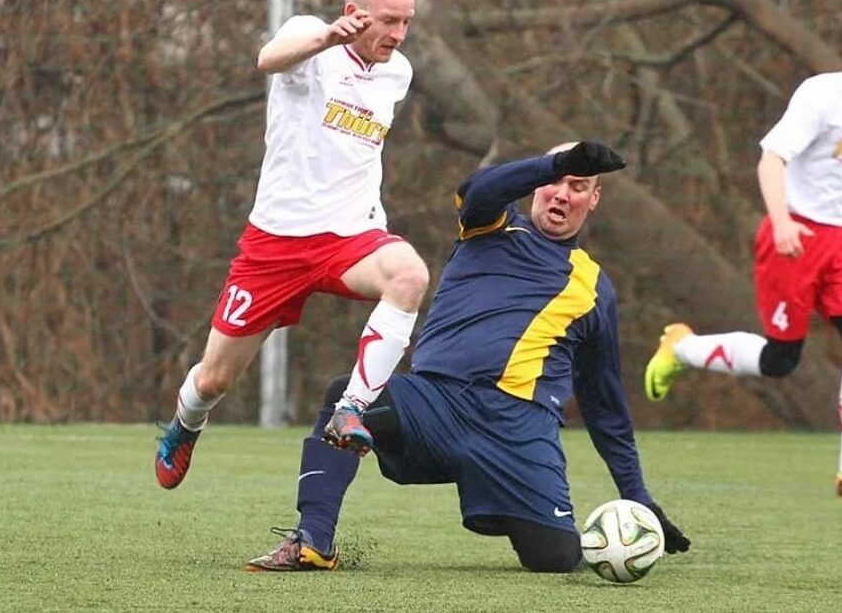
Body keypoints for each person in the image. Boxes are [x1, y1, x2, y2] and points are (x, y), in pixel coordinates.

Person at [244, 141, 691, 572]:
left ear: (594, 199)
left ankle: (506, 499)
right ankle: (315, 541)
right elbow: (477, 190)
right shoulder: (491, 225)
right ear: (538, 183)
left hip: (518, 430)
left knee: (553, 558)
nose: (562, 193)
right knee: (345, 396)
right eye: (556, 179)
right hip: (437, 405)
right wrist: (552, 163)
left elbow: (604, 404)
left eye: (578, 185)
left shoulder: (595, 288)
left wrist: (638, 497)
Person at [155, 0, 430, 489]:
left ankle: (351, 409)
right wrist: (326, 37)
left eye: (406, 22)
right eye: (388, 21)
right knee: (215, 378)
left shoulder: (399, 72)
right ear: (355, 14)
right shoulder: (311, 43)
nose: (397, 34)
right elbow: (268, 59)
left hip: (352, 235)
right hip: (276, 243)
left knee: (409, 276)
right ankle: (185, 424)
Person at [644, 14, 842, 500]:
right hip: (794, 236)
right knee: (781, 359)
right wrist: (782, 220)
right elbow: (772, 158)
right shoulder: (820, 95)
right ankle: (680, 347)